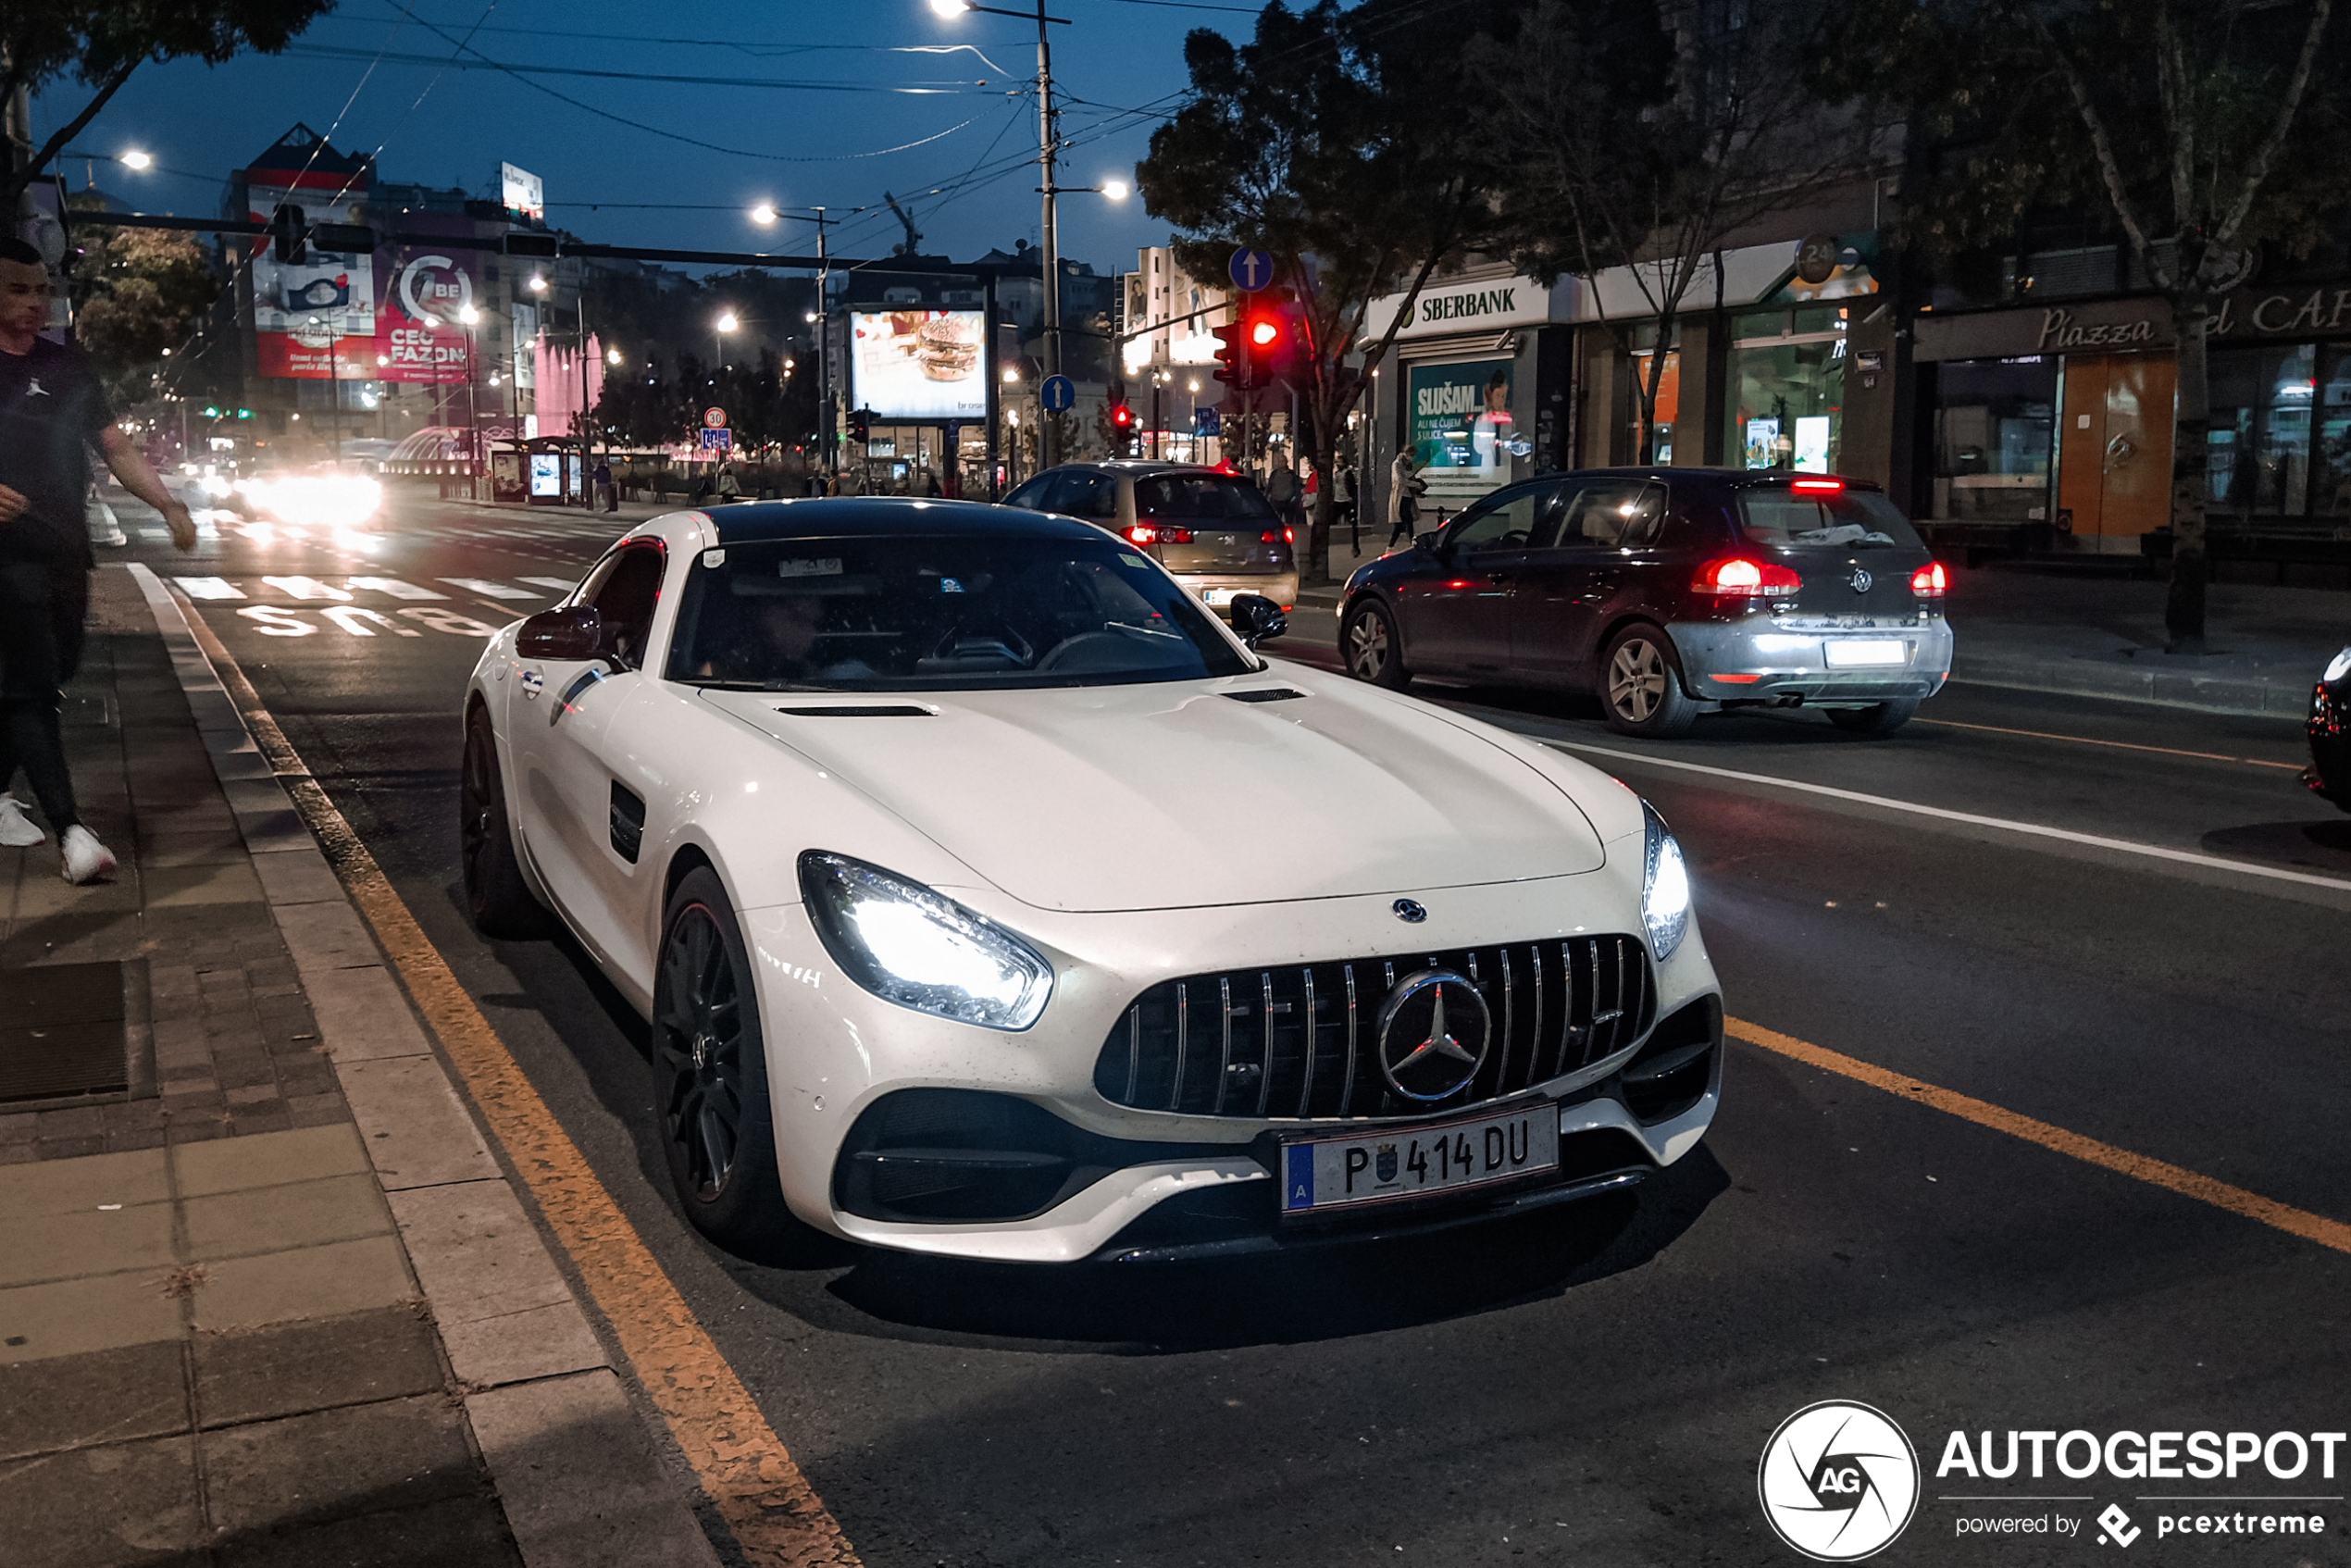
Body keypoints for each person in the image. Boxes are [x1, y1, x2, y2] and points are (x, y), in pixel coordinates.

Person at [0, 237, 196, 882]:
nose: (33, 302)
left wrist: (170, 507)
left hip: (64, 551)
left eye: (40, 289)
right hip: (7, 560)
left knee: (55, 672)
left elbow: (115, 447)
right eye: (16, 288)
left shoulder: (68, 366)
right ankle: (73, 832)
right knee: (31, 692)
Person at [1387, 448, 1425, 549]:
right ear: (1407, 454)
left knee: (1406, 521)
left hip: (1408, 495)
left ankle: (1393, 545)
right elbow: (1400, 480)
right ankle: (1398, 544)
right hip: (1400, 496)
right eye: (1412, 456)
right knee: (1404, 521)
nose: (1413, 458)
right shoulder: (1397, 464)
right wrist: (1416, 484)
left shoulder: (1407, 465)